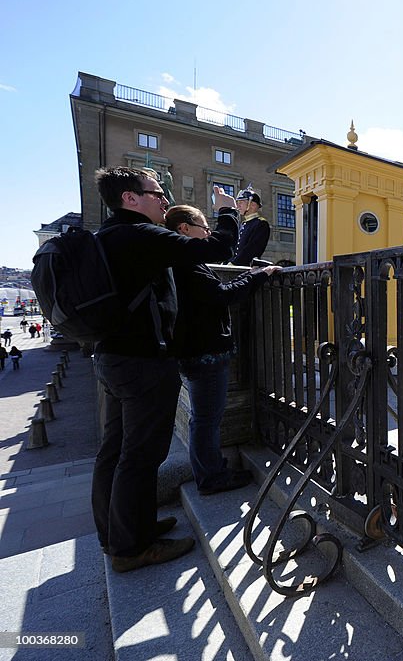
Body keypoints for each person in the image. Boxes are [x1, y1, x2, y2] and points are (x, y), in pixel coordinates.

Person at [90, 166, 240, 573]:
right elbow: (217, 249)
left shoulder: (106, 236)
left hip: (111, 357)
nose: (165, 201)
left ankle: (119, 533)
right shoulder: (140, 234)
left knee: (115, 452)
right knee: (140, 456)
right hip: (141, 362)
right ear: (130, 199)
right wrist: (228, 212)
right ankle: (130, 547)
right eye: (156, 193)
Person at [164, 205, 280, 495]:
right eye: (204, 227)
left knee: (202, 418)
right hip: (204, 353)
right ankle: (211, 476)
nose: (207, 234)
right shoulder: (185, 261)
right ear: (184, 229)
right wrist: (258, 276)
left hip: (195, 351)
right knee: (206, 419)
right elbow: (221, 295)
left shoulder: (178, 259)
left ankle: (209, 471)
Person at [228, 187, 270, 266]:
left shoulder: (261, 223)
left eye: (241, 202)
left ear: (253, 205)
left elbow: (251, 249)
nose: (238, 206)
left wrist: (234, 263)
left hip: (246, 267)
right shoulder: (243, 223)